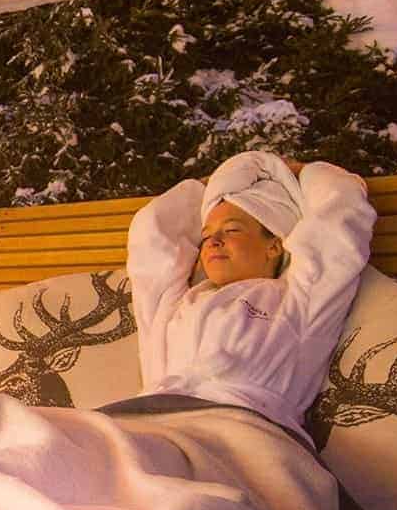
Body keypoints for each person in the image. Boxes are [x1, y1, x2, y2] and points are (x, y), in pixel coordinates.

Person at [126, 150, 376, 445]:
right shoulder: (177, 304)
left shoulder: (299, 299)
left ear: (275, 246)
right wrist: (214, 185)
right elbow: (152, 232)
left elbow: (340, 217)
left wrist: (297, 171)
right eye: (205, 236)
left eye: (232, 230)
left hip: (246, 433)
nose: (213, 241)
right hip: (153, 425)